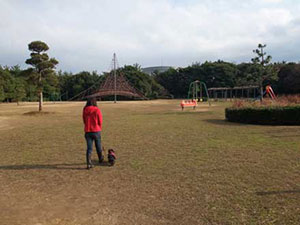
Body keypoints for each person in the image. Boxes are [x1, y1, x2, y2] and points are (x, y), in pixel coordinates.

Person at [82, 98, 103, 169]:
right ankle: (100, 159)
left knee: (89, 148)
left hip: (88, 131)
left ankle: (89, 163)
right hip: (96, 130)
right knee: (98, 146)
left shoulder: (85, 110)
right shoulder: (96, 109)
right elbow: (100, 120)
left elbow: (84, 120)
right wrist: (99, 127)